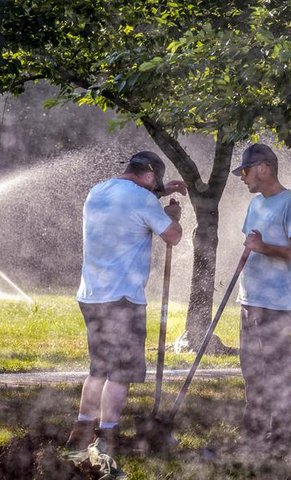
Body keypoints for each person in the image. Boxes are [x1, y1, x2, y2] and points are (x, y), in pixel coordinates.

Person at [66, 151, 186, 453]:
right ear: (148, 176)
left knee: (99, 369)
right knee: (120, 373)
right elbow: (172, 237)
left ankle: (80, 433)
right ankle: (107, 438)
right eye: (153, 183)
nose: (153, 189)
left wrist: (161, 190)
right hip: (123, 299)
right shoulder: (143, 200)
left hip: (91, 295)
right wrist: (173, 217)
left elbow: (132, 197)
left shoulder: (98, 191)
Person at [232, 143, 291, 452]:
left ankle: (279, 440)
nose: (242, 177)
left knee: (277, 374)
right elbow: (250, 243)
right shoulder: (255, 205)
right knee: (251, 372)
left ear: (263, 168)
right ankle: (252, 436)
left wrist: (264, 248)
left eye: (245, 171)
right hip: (249, 301)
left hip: (276, 306)